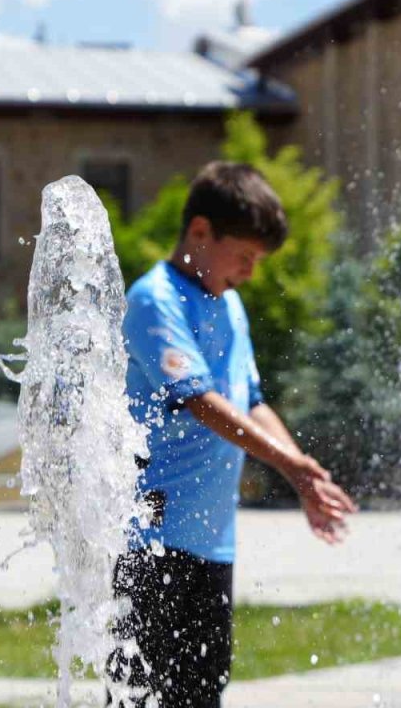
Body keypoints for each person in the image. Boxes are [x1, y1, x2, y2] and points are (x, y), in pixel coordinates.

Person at [107, 162, 357, 707]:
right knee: (141, 698)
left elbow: (251, 402)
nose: (249, 272)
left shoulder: (230, 305)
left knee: (202, 692)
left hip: (210, 542)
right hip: (151, 542)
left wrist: (303, 472)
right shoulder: (155, 300)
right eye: (244, 256)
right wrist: (289, 466)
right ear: (201, 231)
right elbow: (202, 402)